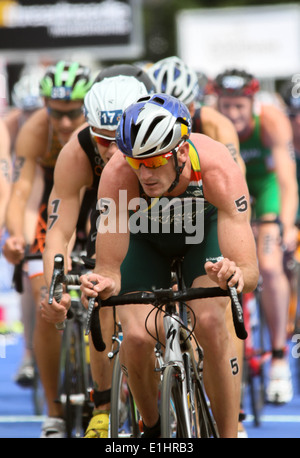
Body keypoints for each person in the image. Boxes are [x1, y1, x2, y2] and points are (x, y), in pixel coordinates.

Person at [79, 93, 259, 438]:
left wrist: (235, 275)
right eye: (136, 162)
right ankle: (153, 426)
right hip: (145, 244)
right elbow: (109, 271)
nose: (144, 173)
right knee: (135, 334)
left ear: (179, 151)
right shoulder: (118, 173)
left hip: (201, 242)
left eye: (155, 161)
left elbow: (248, 272)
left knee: (209, 321)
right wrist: (101, 282)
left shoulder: (217, 166)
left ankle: (228, 433)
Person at [41, 72, 152, 438]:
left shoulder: (159, 140)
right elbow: (59, 230)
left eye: (117, 139)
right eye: (101, 140)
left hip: (160, 213)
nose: (110, 151)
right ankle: (103, 409)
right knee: (97, 288)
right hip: (111, 212)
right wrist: (53, 289)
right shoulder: (78, 149)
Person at [2, 60, 93, 437]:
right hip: (52, 207)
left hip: (96, 203)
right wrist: (18, 238)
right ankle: (54, 409)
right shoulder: (36, 129)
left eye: (74, 112)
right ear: (44, 104)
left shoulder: (99, 127)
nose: (66, 121)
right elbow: (23, 192)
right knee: (44, 292)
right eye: (57, 112)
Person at [213, 68, 299, 404]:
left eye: (239, 107)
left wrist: (286, 226)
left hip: (266, 192)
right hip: (231, 195)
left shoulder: (272, 122)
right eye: (227, 106)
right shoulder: (213, 125)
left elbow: (289, 182)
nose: (232, 114)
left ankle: (279, 359)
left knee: (272, 264)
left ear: (252, 102)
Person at [3, 65, 45, 386]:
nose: (33, 118)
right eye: (27, 111)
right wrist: (13, 232)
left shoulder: (60, 125)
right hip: (25, 195)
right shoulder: (9, 128)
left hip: (58, 190)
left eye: (38, 111)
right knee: (32, 265)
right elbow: (7, 184)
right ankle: (30, 354)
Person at [146, 56, 245, 173]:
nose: (167, 123)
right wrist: (123, 192)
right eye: (159, 112)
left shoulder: (216, 124)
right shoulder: (133, 126)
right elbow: (122, 189)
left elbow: (234, 175)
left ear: (191, 109)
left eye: (175, 114)